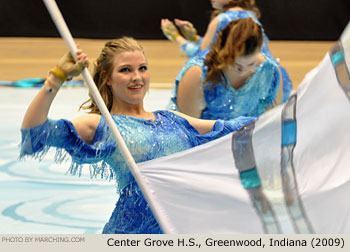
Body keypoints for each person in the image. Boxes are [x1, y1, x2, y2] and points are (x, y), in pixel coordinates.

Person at [20, 37, 255, 234]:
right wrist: (56, 78)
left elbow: (232, 129)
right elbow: (35, 133)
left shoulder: (172, 119)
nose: (137, 77)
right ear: (107, 78)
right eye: (125, 70)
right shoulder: (103, 125)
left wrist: (283, 117)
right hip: (130, 236)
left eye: (142, 68)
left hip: (177, 231)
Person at [168, 18, 292, 120]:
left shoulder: (268, 70)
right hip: (207, 142)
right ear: (224, 54)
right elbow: (188, 128)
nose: (244, 71)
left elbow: (271, 120)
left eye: (251, 64)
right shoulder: (197, 74)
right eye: (237, 66)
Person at [161, 0, 272, 58]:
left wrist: (176, 37)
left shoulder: (222, 19)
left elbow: (202, 57)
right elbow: (220, 48)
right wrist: (193, 38)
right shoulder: (249, 15)